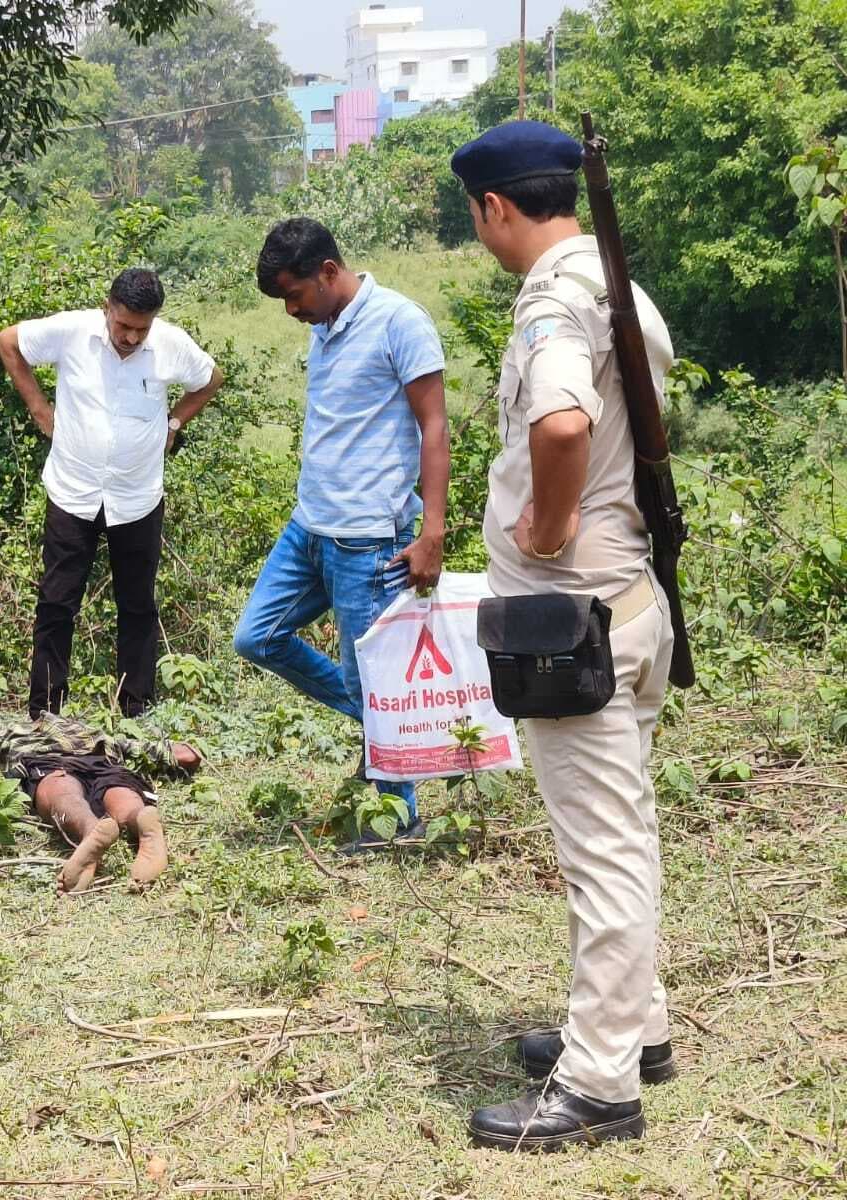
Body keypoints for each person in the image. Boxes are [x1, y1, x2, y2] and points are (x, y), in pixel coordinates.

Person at [452, 121, 678, 1151]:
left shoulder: (553, 297)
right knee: (623, 831)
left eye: (474, 214)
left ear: (495, 207)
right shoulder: (617, 285)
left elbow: (557, 425)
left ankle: (597, 1086)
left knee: (602, 852)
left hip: (572, 616)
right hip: (626, 602)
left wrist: (543, 525)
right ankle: (638, 1031)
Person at [232, 219, 449, 849]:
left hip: (369, 541)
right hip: (310, 529)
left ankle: (399, 818)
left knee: (372, 677)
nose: (292, 310)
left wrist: (431, 529)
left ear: (328, 271)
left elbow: (433, 427)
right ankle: (396, 729)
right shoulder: (326, 327)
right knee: (257, 637)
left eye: (294, 295)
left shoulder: (399, 322)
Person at [0, 268, 224, 719]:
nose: (131, 336)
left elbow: (211, 379)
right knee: (57, 602)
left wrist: (174, 424)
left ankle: (136, 712)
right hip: (72, 491)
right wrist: (40, 408)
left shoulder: (170, 345)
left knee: (137, 606)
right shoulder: (72, 332)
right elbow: (8, 342)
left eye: (141, 328)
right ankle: (45, 712)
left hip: (137, 497)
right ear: (107, 308)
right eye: (123, 325)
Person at [0, 692, 201, 892]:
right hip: (101, 759)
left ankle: (91, 831)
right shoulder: (96, 732)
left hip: (46, 764)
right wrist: (182, 754)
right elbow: (179, 754)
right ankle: (143, 824)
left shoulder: (10, 732)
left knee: (62, 793)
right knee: (119, 790)